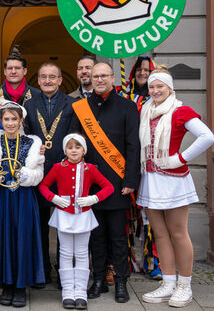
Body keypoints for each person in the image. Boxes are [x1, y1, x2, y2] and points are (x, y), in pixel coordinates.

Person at [137, 67, 214, 307]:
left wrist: (180, 158)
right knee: (159, 233)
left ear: (169, 87)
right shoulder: (145, 110)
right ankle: (168, 282)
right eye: (151, 86)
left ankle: (185, 285)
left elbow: (207, 137)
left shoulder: (181, 110)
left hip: (173, 180)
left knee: (178, 233)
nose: (155, 90)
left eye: (160, 86)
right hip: (150, 178)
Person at [70, 62, 141, 303]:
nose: (99, 79)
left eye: (103, 76)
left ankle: (121, 281)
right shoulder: (81, 108)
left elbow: (133, 146)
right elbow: (74, 144)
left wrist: (131, 179)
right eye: (95, 76)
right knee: (95, 236)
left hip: (117, 183)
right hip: (88, 185)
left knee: (118, 237)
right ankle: (98, 278)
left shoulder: (127, 106)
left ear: (112, 78)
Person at [39, 133, 114, 309]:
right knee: (65, 253)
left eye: (77, 147)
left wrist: (93, 199)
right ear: (65, 149)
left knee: (81, 253)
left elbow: (109, 187)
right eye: (70, 147)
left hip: (83, 215)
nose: (73, 151)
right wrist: (54, 198)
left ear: (84, 150)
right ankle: (67, 292)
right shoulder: (58, 167)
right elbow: (43, 186)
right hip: (64, 215)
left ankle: (80, 292)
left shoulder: (90, 169)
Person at [0, 102, 45, 307]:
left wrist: (30, 175)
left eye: (13, 119)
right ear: (1, 122)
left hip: (23, 196)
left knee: (22, 238)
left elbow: (39, 172)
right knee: (2, 238)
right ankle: (6, 284)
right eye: (6, 119)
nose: (10, 123)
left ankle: (20, 286)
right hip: (1, 196)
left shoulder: (33, 143)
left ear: (21, 121)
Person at [24, 62, 76, 286]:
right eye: (43, 77)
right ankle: (42, 270)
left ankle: (65, 272)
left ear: (60, 80)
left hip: (64, 171)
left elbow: (76, 137)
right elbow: (25, 137)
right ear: (38, 79)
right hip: (40, 173)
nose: (47, 80)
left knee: (65, 226)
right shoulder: (29, 104)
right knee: (41, 224)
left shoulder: (72, 104)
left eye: (52, 77)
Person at [118, 56, 160, 281]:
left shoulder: (159, 99)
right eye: (140, 69)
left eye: (148, 70)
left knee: (150, 214)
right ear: (133, 71)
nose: (143, 73)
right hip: (124, 160)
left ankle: (153, 260)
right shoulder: (122, 93)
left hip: (149, 163)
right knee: (126, 213)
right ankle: (126, 258)